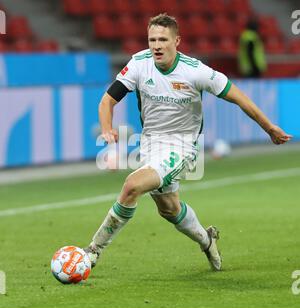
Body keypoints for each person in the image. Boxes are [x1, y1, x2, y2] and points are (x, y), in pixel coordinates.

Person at [84, 14, 292, 272]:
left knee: (132, 186)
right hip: (150, 144)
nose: (156, 45)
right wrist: (107, 129)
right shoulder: (139, 64)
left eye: (163, 39)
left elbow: (239, 98)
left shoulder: (196, 71)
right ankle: (207, 240)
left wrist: (269, 127)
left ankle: (92, 251)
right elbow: (107, 100)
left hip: (181, 147)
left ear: (177, 41)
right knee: (169, 209)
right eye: (152, 40)